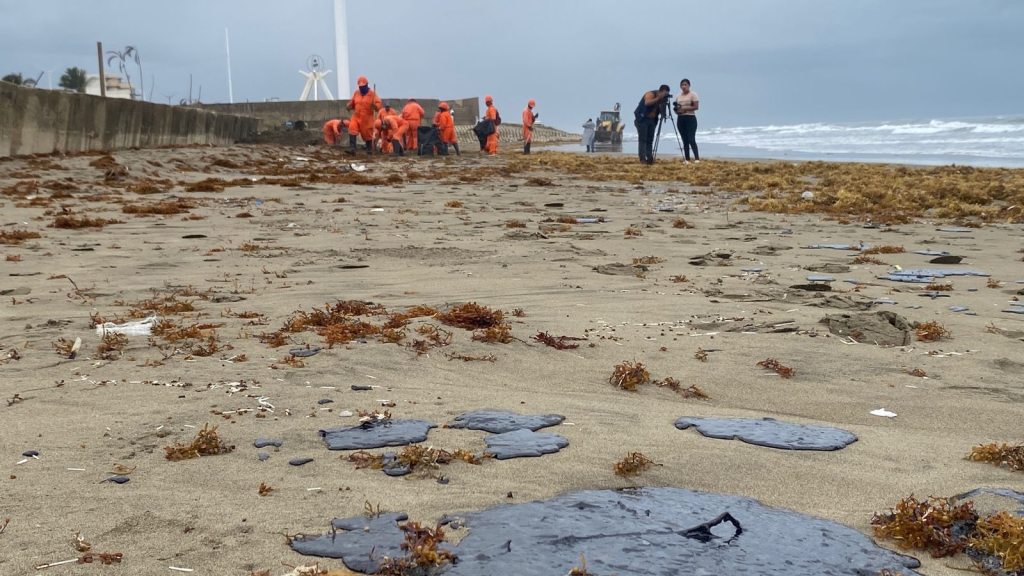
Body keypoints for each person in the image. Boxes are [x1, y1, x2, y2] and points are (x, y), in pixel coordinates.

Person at [633, 84, 671, 164]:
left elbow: (661, 111)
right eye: (664, 94)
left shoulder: (662, 99)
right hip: (642, 119)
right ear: (660, 91)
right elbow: (647, 103)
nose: (664, 96)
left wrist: (663, 103)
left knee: (650, 140)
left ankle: (649, 157)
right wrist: (658, 98)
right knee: (643, 139)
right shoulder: (650, 94)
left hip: (652, 120)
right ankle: (642, 159)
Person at [346, 76, 382, 154]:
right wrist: (349, 106)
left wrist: (375, 106)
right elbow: (352, 103)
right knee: (352, 128)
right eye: (360, 86)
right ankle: (352, 148)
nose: (362, 88)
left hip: (367, 118)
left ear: (367, 85)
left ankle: (369, 149)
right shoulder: (356, 93)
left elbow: (378, 104)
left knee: (367, 134)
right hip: (356, 116)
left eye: (363, 86)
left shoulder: (372, 94)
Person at [674, 78, 700, 163]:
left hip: (690, 118)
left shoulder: (693, 94)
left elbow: (696, 107)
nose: (684, 86)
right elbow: (677, 108)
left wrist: (684, 109)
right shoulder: (678, 96)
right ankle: (687, 159)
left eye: (685, 85)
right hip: (681, 118)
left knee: (691, 139)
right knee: (684, 140)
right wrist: (677, 111)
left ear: (689, 85)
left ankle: (697, 158)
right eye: (682, 85)